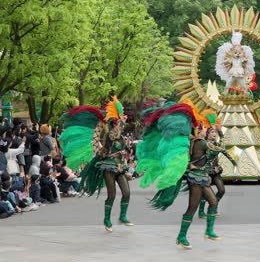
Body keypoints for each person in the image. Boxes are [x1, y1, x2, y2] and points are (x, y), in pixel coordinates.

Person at [136, 101, 223, 249]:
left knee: (213, 202)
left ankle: (209, 231)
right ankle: (181, 236)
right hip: (195, 179)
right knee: (192, 207)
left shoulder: (196, 141)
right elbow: (217, 149)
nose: (207, 130)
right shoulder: (200, 142)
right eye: (204, 128)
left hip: (202, 178)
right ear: (200, 130)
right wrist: (220, 135)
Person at [61, 97, 133, 232]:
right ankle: (107, 219)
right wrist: (120, 125)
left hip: (119, 165)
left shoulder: (120, 133)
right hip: (108, 165)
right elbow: (113, 137)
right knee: (111, 195)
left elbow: (121, 144)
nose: (121, 121)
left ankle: (122, 216)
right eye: (118, 120)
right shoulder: (108, 131)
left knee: (127, 192)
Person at [198, 110, 237, 218]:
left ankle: (212, 208)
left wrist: (230, 164)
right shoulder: (204, 144)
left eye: (215, 132)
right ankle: (201, 211)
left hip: (215, 171)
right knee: (205, 193)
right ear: (207, 133)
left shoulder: (217, 143)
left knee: (221, 190)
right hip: (206, 172)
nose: (214, 134)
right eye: (212, 132)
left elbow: (224, 150)